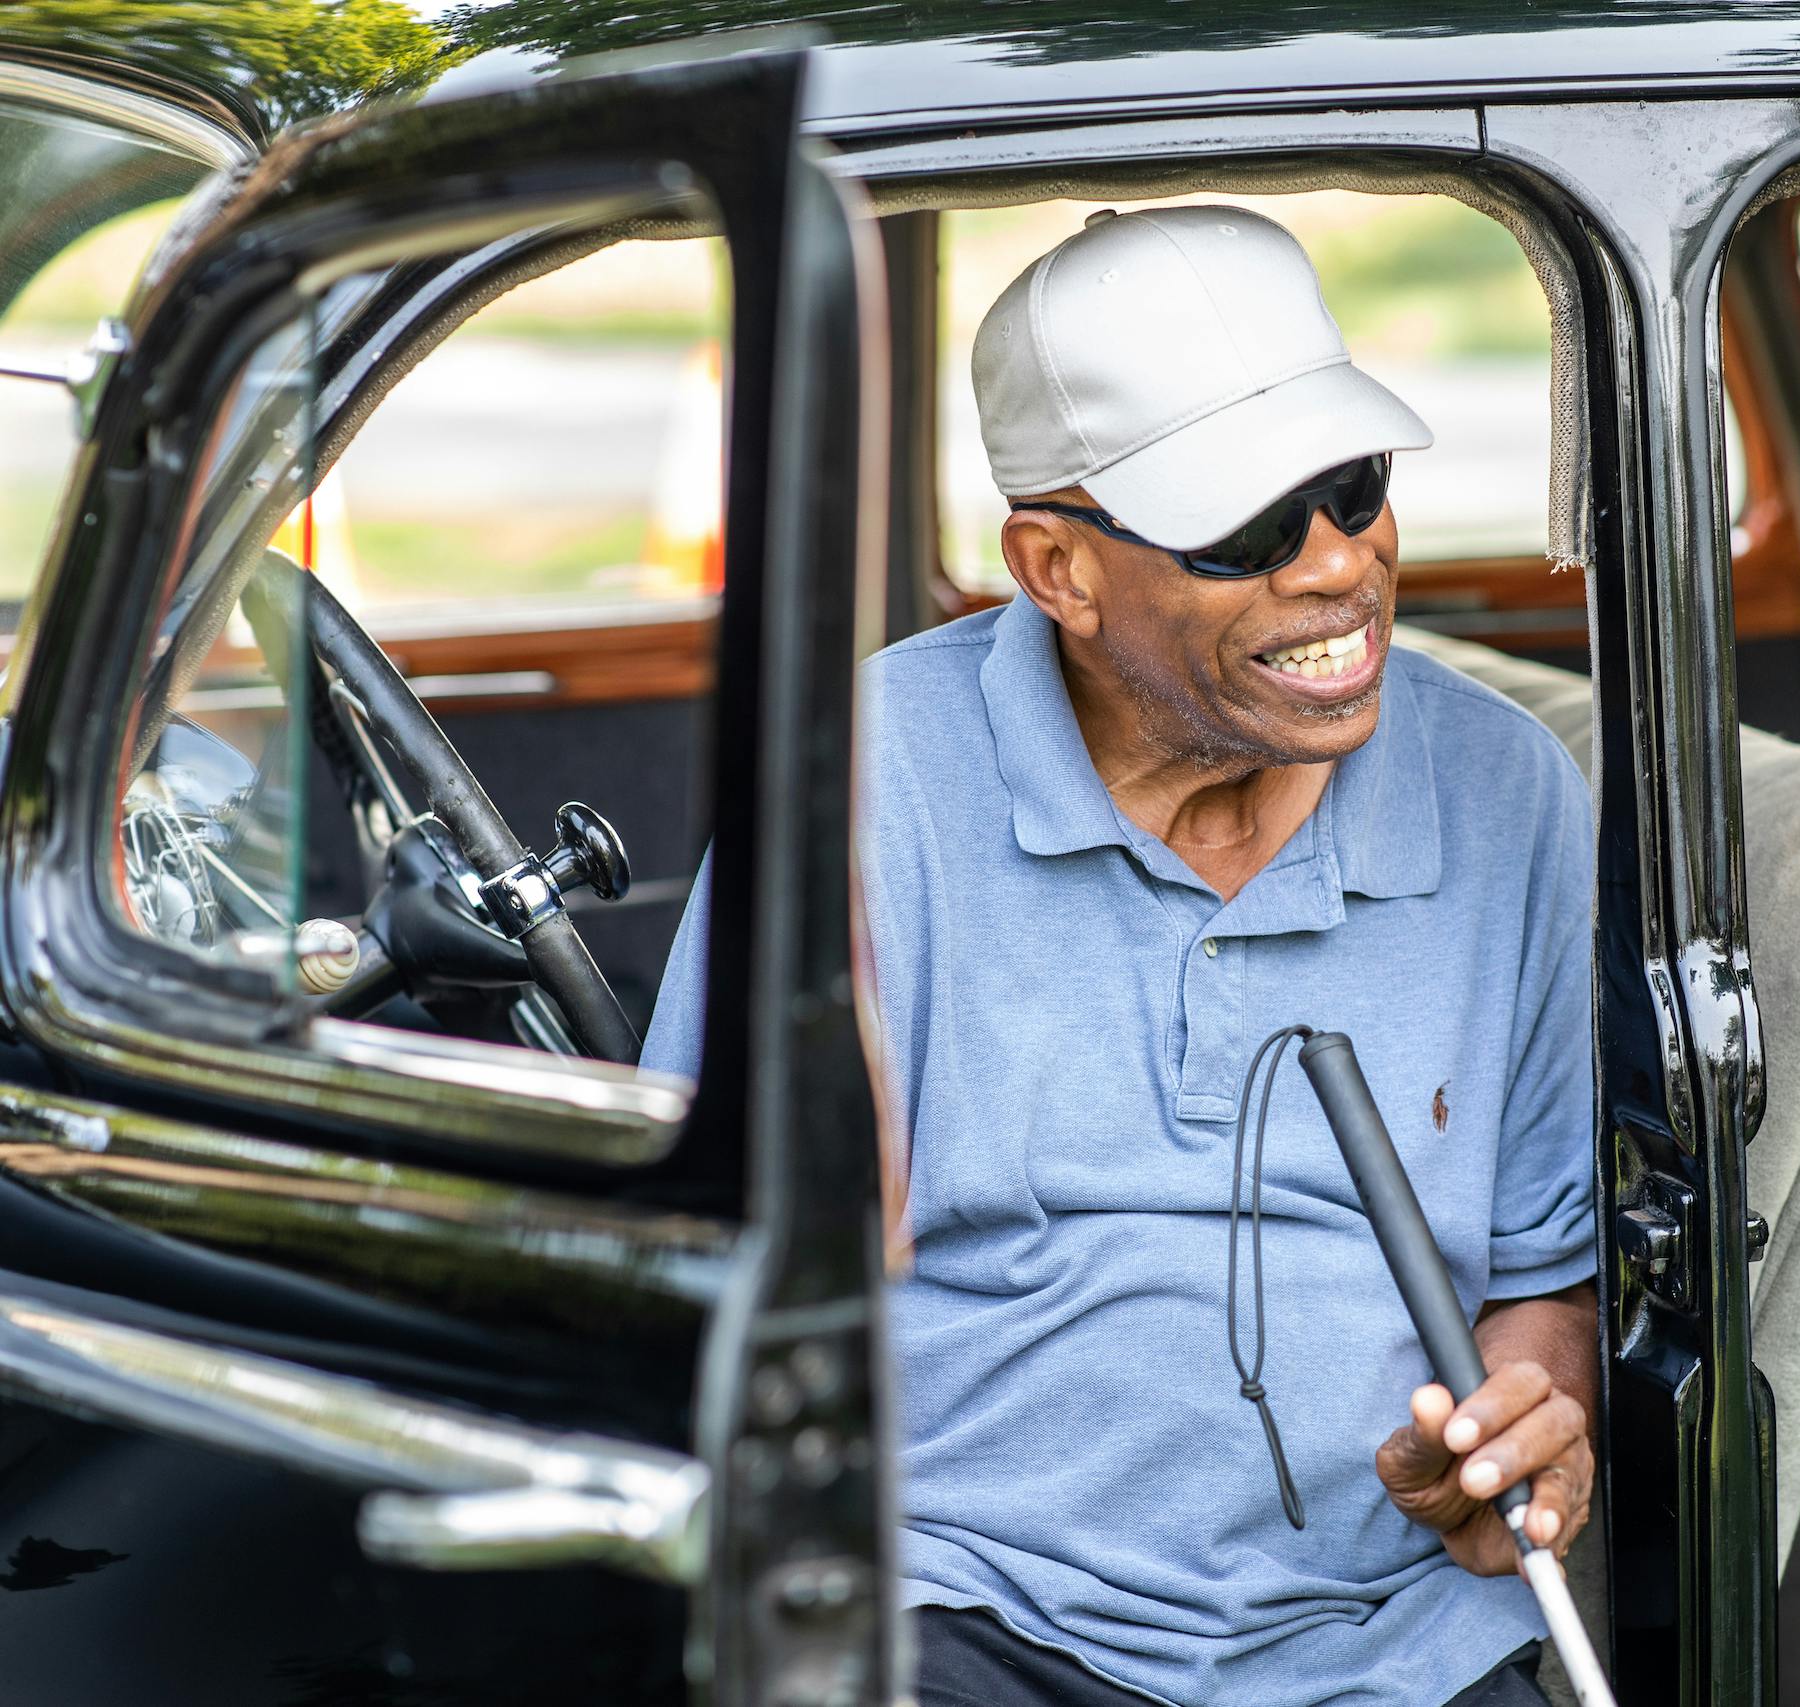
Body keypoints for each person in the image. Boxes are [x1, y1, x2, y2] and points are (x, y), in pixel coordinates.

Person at [645, 205, 1596, 1707]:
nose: (1339, 565)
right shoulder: (857, 784)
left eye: (1353, 487)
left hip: (1387, 1648)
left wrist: (1520, 1439)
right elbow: (723, 1294)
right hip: (957, 1605)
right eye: (1248, 529)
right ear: (1057, 569)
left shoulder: (1510, 796)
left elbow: (1543, 1273)